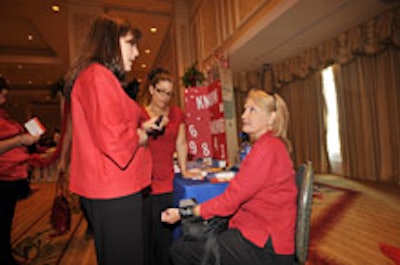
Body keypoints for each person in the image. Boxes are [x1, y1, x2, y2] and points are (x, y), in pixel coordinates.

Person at [63, 14, 164, 265]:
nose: (136, 52)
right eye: (131, 44)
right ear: (110, 42)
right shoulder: (98, 76)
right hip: (114, 189)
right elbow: (115, 142)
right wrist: (142, 134)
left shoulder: (98, 77)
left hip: (113, 187)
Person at [162, 89, 298, 265]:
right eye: (245, 109)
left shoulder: (266, 149)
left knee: (181, 250)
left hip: (265, 245)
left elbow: (230, 201)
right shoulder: (271, 145)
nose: (243, 115)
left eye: (252, 110)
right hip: (261, 232)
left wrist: (183, 212)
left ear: (271, 118)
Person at [142, 67, 190, 265]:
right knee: (148, 238)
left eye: (169, 93)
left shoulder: (177, 114)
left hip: (168, 182)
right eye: (161, 91)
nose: (164, 97)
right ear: (152, 89)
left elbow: (181, 143)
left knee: (166, 238)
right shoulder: (141, 114)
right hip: (145, 183)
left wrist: (185, 170)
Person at [0, 77, 41, 265]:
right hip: (3, 176)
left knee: (6, 221)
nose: (4, 97)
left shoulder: (4, 116)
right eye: (1, 92)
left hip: (11, 177)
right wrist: (19, 141)